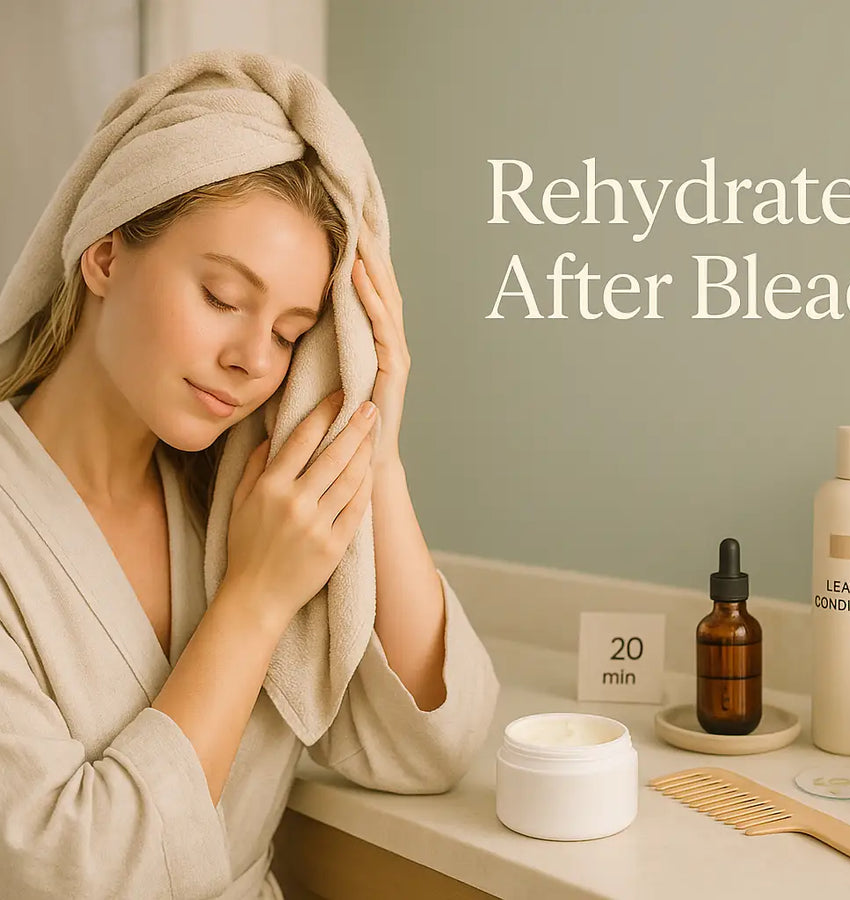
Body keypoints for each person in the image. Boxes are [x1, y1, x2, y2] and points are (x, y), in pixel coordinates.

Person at [0, 153, 499, 898]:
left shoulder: (235, 502)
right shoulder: (256, 551)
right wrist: (255, 599)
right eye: (222, 297)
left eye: (292, 333)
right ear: (104, 255)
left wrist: (378, 452)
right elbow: (78, 875)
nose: (252, 361)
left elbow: (429, 750)